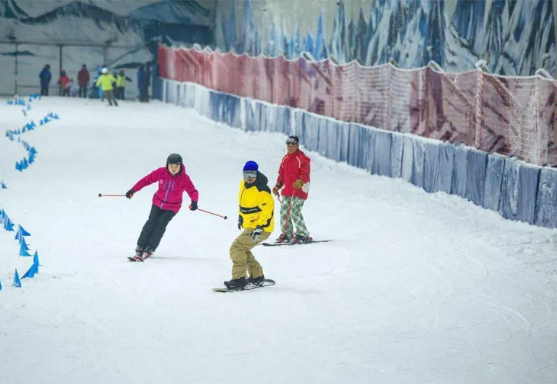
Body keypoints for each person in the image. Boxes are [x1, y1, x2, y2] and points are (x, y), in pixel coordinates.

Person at [126, 153, 199, 260]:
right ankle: (140, 246)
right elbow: (146, 180)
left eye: (176, 166)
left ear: (181, 166)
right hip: (157, 203)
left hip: (172, 207)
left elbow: (193, 191)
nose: (174, 169)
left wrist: (194, 202)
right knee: (151, 222)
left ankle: (150, 248)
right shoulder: (161, 172)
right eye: (171, 166)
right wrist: (133, 190)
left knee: (160, 225)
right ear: (167, 165)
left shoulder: (184, 178)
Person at [225, 161, 274, 290]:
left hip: (261, 227)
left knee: (237, 248)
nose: (249, 178)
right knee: (242, 248)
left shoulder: (263, 191)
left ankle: (239, 279)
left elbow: (267, 213)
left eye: (252, 174)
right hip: (250, 225)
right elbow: (243, 202)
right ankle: (257, 275)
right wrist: (241, 216)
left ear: (257, 173)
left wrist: (259, 228)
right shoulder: (243, 184)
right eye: (246, 175)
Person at [273, 136, 312, 243]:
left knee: (295, 211)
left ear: (297, 146)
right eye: (288, 146)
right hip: (287, 190)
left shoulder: (302, 159)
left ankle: (302, 234)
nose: (290, 148)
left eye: (293, 146)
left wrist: (300, 182)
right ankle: (287, 233)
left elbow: (305, 175)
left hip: (299, 190)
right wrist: (277, 186)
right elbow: (281, 175)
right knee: (284, 212)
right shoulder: (285, 158)